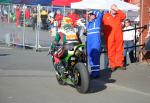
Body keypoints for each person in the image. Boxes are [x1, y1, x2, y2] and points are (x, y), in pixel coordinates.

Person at [102, 4, 126, 72]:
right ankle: (112, 65)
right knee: (111, 50)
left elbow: (124, 16)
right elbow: (102, 24)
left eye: (115, 9)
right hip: (110, 36)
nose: (114, 11)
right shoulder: (106, 16)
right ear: (110, 9)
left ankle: (119, 64)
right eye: (113, 9)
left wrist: (117, 9)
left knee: (119, 49)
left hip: (118, 35)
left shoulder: (118, 15)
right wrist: (102, 31)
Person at [86, 10, 103, 78]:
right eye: (89, 15)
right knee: (90, 57)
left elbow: (100, 14)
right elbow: (86, 33)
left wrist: (91, 10)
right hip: (89, 43)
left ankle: (96, 73)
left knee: (95, 56)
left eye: (91, 14)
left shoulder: (97, 21)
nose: (90, 16)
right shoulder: (88, 23)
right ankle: (93, 72)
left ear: (94, 15)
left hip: (95, 42)